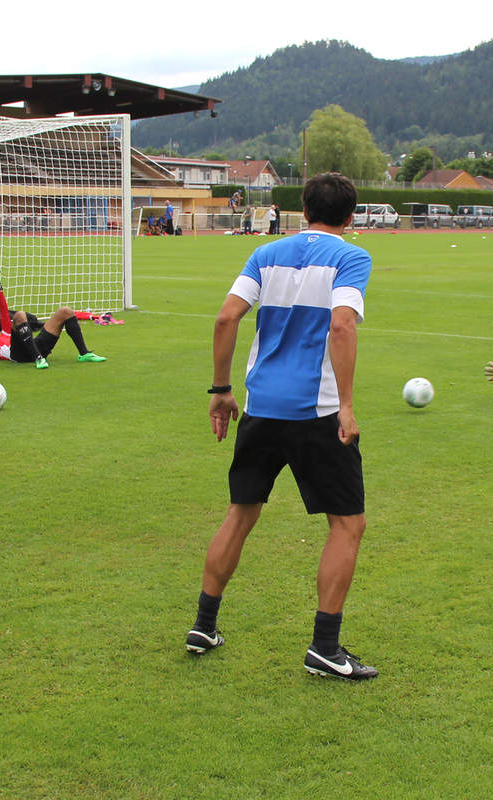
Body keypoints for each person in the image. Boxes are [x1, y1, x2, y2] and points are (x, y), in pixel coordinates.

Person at [185, 172, 377, 680]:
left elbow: (227, 318)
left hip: (261, 407)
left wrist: (221, 391)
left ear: (304, 209)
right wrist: (349, 407)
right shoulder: (351, 256)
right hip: (317, 413)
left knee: (239, 514)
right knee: (347, 524)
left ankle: (204, 625)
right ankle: (325, 648)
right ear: (351, 216)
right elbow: (341, 324)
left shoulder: (264, 254)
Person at [0, 268, 106, 366]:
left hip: (33, 346)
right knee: (20, 315)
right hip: (18, 356)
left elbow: (4, 314)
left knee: (66, 311)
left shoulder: (0, 336)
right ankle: (38, 358)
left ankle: (84, 353)